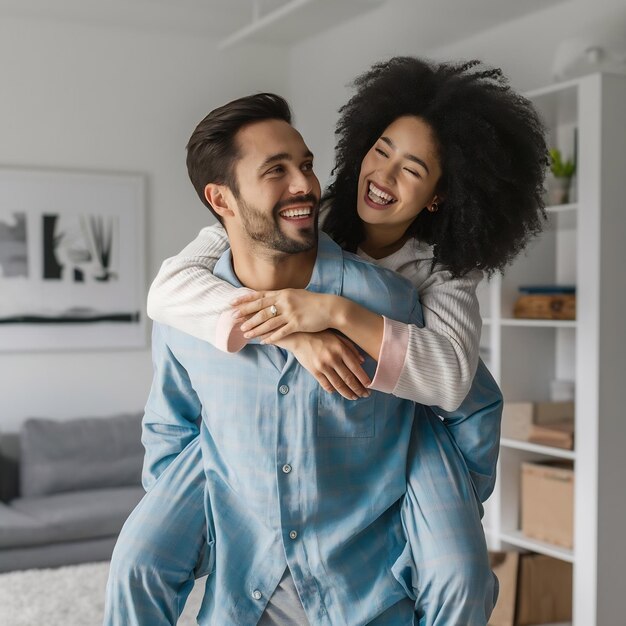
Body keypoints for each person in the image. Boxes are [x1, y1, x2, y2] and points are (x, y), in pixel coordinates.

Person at [105, 91, 504, 625]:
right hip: (227, 466)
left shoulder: (437, 275)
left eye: (413, 170)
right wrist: (292, 334)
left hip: (417, 417)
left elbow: (458, 385)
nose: (384, 177)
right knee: (136, 562)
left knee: (461, 575)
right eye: (381, 153)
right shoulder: (279, 235)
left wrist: (333, 313)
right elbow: (170, 295)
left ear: (437, 196)